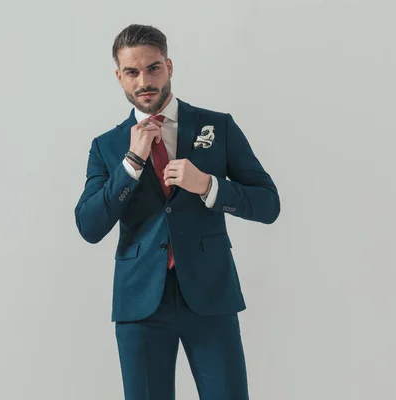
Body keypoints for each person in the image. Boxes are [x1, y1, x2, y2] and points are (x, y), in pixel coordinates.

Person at [74, 24, 280, 400]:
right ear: (119, 76)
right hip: (140, 305)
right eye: (132, 72)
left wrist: (208, 186)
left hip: (210, 296)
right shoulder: (107, 146)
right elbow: (89, 225)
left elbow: (268, 204)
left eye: (153, 68)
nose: (144, 81)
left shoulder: (217, 126)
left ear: (169, 66)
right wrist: (132, 163)